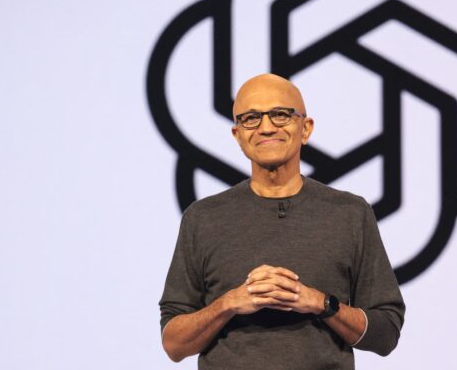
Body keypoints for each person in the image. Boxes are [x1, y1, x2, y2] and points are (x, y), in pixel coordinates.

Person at [159, 73, 405, 368]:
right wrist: (228, 304)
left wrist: (320, 303)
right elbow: (174, 344)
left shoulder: (350, 213)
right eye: (251, 118)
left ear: (306, 128)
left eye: (281, 115)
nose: (266, 127)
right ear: (238, 135)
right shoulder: (203, 218)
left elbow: (385, 333)